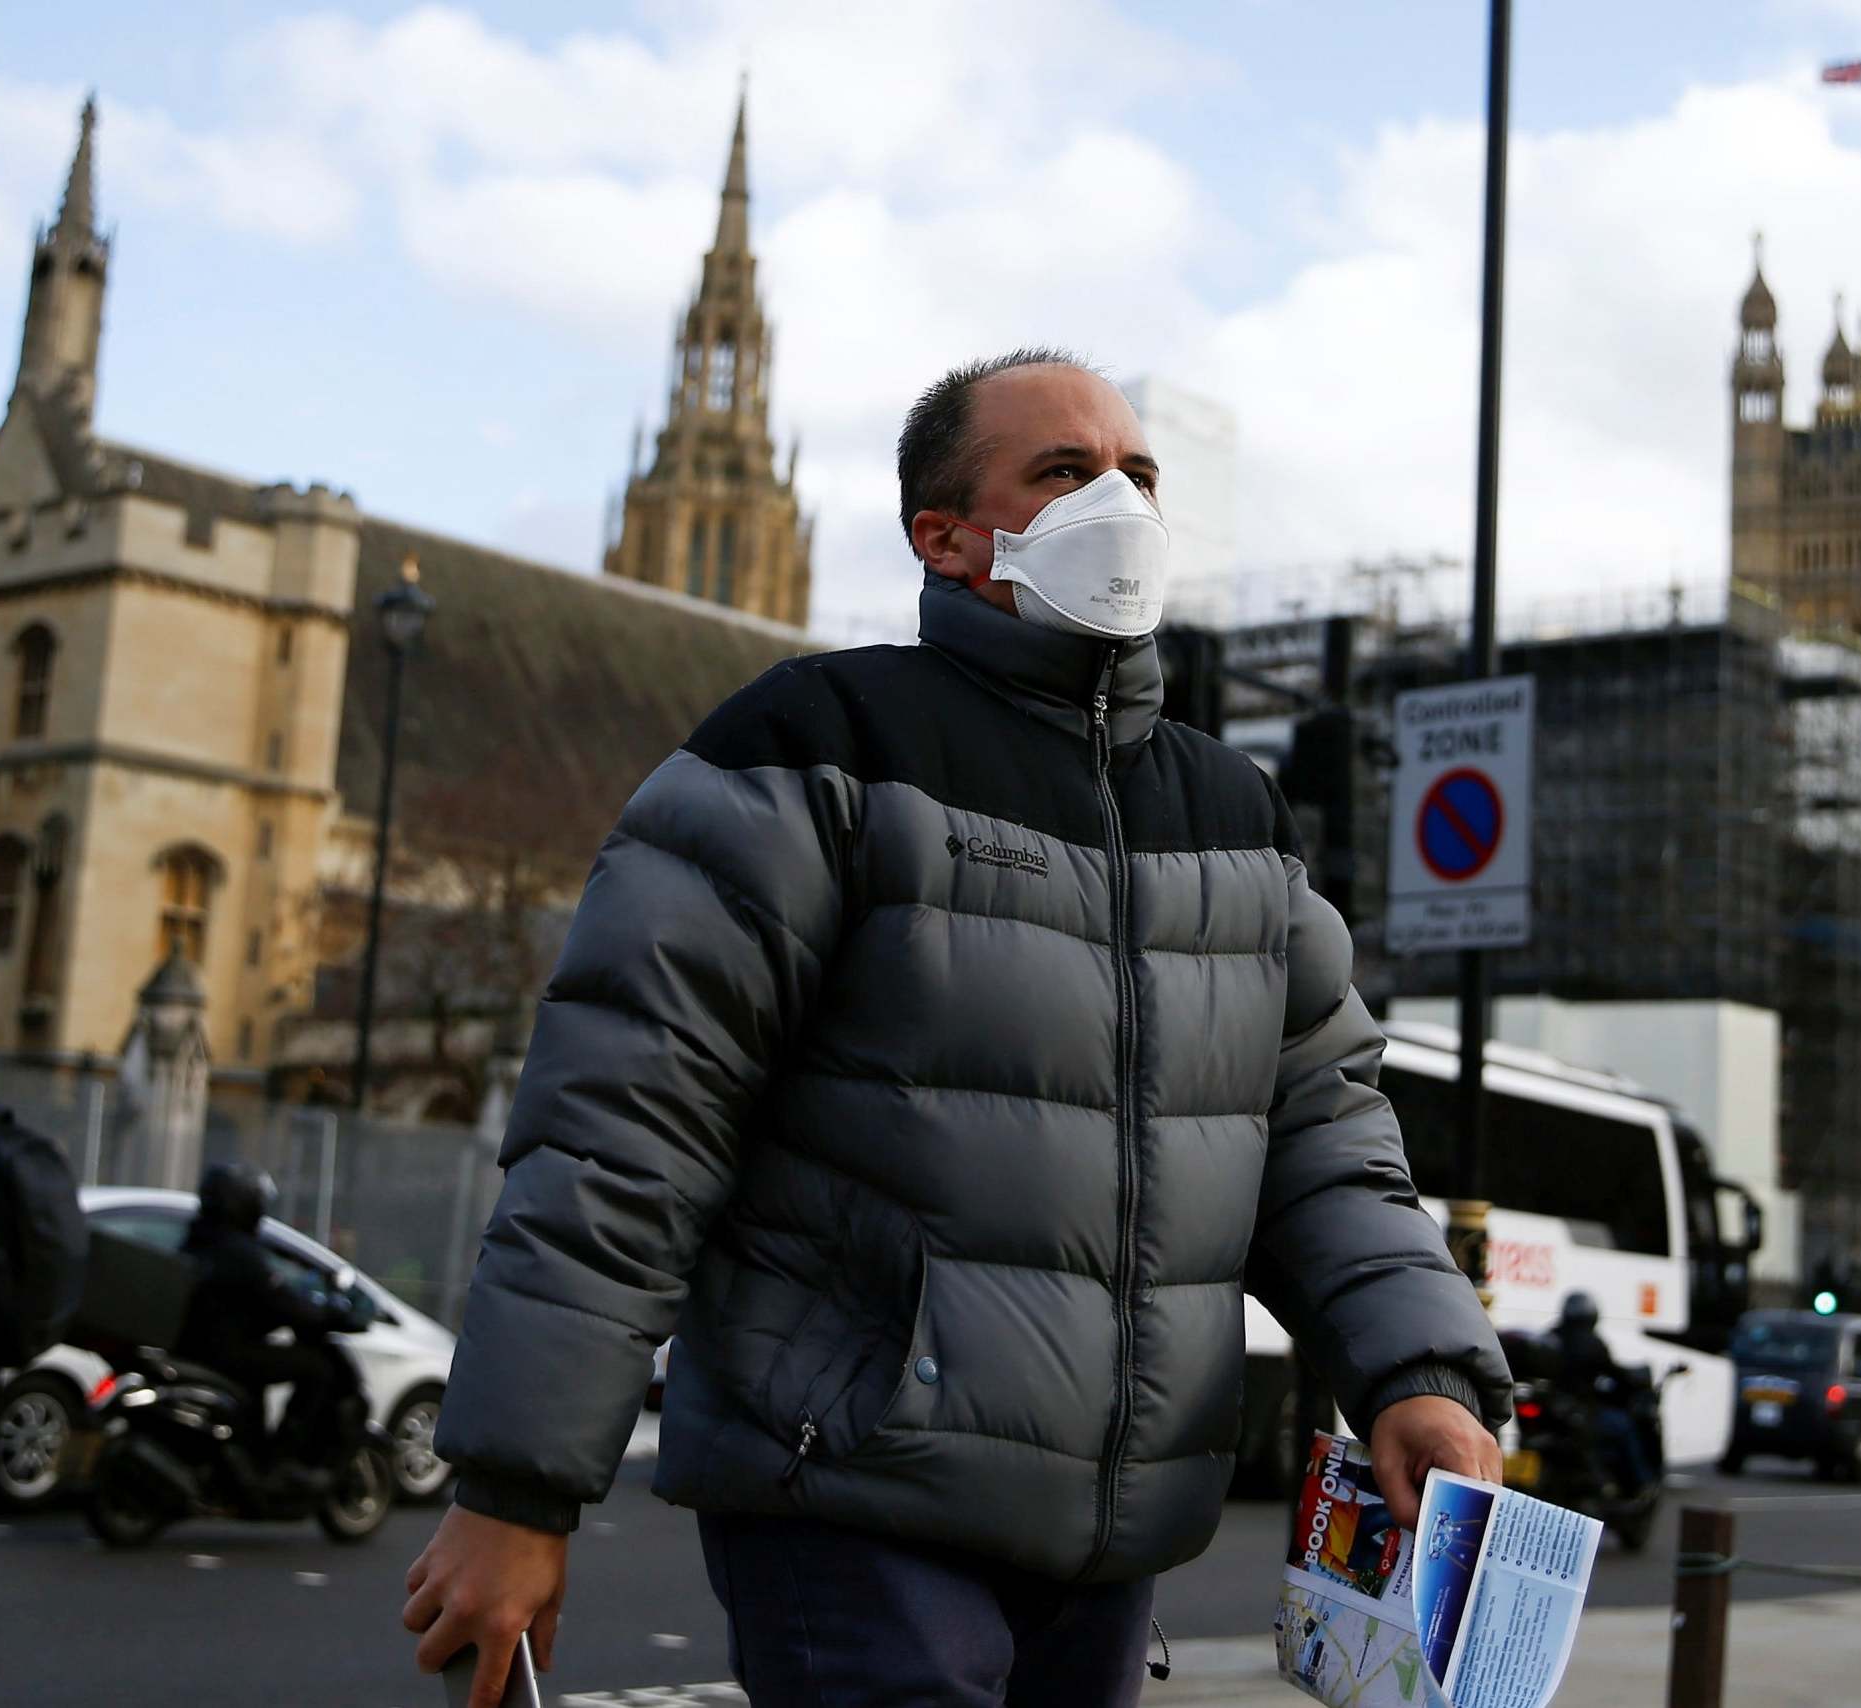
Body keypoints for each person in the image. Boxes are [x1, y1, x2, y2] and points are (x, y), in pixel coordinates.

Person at [405, 351, 1511, 1707]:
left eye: (1135, 474)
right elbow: (625, 1127)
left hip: (1109, 1542)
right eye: (1062, 472)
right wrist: (519, 1487)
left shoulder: (1233, 813)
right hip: (855, 1495)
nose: (1117, 498)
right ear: (944, 535)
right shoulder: (812, 747)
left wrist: (1417, 1371)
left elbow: (1325, 1142)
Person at [176, 1161, 358, 1478]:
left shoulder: (202, 1239)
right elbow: (279, 1300)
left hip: (203, 1346)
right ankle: (282, 1457)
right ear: (240, 1203)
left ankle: (254, 1454)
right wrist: (324, 1314)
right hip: (225, 1352)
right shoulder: (239, 1251)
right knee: (317, 1368)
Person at [1552, 1290, 1653, 1495]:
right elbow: (1615, 1373)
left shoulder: (1554, 1336)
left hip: (1556, 1410)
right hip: (1582, 1413)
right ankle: (1641, 1483)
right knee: (1624, 1427)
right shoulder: (1592, 1343)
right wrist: (1635, 1379)